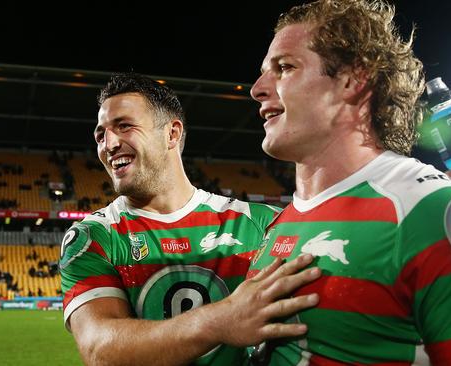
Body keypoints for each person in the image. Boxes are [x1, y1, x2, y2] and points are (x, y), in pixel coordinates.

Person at [248, 0, 451, 364]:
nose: (257, 88)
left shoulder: (438, 217)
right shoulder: (279, 223)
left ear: (352, 80)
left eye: (284, 67)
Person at [60, 73, 322, 366]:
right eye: (100, 134)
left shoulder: (263, 224)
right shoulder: (93, 237)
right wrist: (221, 320)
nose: (108, 144)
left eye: (124, 126)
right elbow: (100, 349)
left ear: (171, 134)